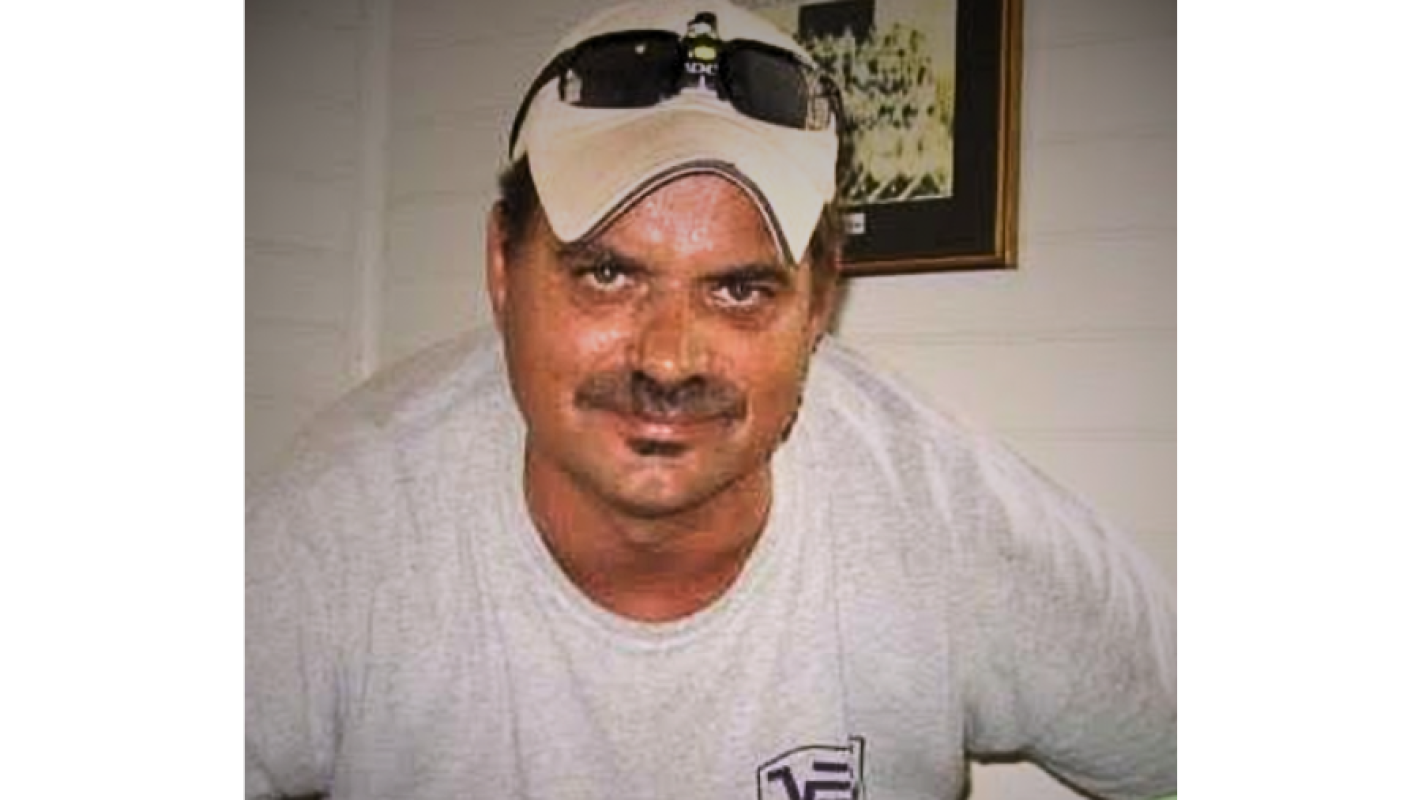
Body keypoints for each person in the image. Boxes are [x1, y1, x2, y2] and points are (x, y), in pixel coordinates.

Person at [245, 1, 1176, 798]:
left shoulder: (952, 524)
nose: (668, 359)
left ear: (819, 301)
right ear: (501, 266)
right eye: (607, 274)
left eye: (739, 288)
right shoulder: (336, 533)